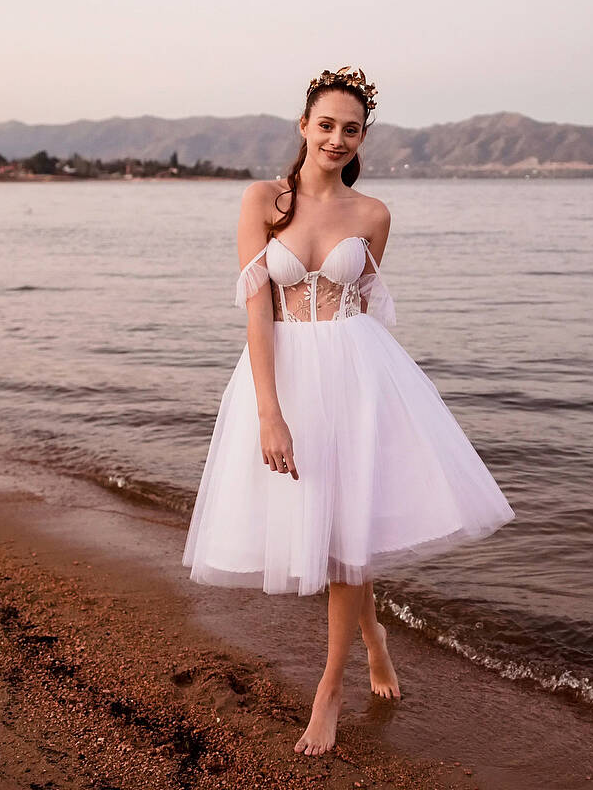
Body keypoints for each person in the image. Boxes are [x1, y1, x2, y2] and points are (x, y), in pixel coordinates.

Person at [181, 66, 517, 756]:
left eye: (351, 129)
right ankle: (373, 635)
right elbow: (258, 311)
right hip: (284, 379)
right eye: (326, 124)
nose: (337, 138)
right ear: (303, 126)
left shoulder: (373, 216)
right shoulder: (260, 201)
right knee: (333, 534)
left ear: (364, 138)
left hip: (358, 377)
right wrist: (269, 412)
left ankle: (330, 691)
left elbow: (359, 304)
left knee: (346, 540)